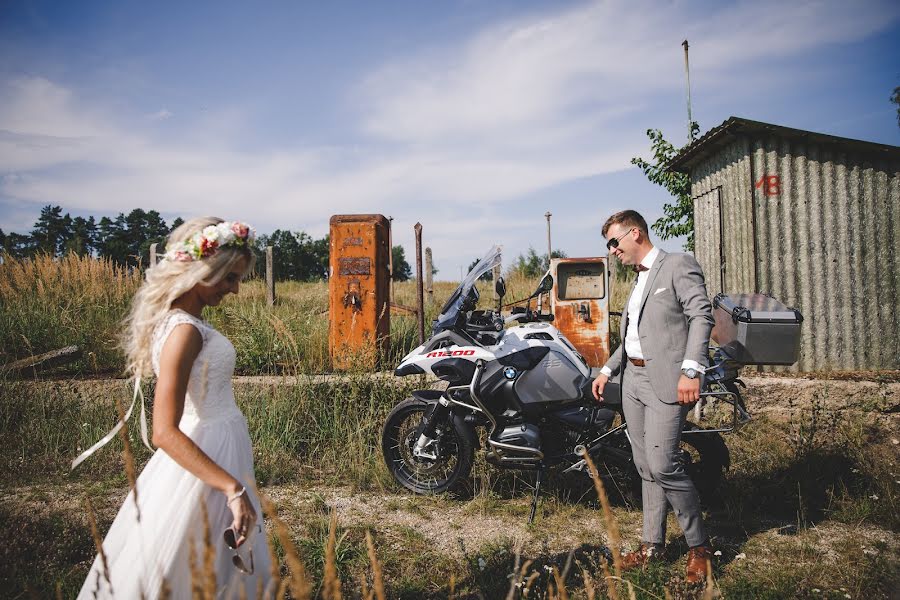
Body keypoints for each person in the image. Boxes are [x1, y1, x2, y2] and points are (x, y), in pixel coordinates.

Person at [76, 217, 273, 599]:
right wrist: (232, 488)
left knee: (209, 559)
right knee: (191, 561)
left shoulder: (184, 323)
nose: (234, 290)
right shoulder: (184, 331)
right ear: (202, 269)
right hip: (208, 454)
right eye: (229, 278)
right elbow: (163, 431)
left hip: (219, 446)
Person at [591, 210, 715, 584]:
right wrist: (608, 369)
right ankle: (651, 546)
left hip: (667, 380)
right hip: (634, 381)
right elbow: (633, 335)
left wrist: (691, 370)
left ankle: (699, 548)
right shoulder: (637, 281)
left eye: (614, 242)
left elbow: (701, 316)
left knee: (664, 464)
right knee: (645, 466)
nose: (612, 251)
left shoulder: (677, 265)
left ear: (635, 233)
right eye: (609, 245)